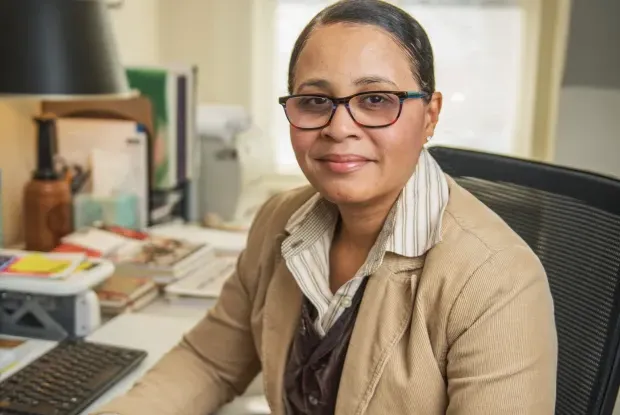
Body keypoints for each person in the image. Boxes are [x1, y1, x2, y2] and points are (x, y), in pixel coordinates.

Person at [94, 1, 557, 414]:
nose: (339, 128)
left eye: (376, 100)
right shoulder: (278, 220)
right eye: (316, 101)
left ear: (430, 115)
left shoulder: (498, 280)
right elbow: (209, 362)